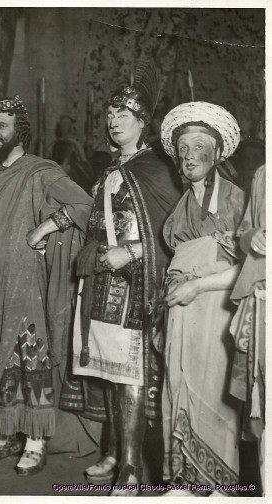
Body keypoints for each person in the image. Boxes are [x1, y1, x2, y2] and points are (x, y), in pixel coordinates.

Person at [0, 96, 95, 477]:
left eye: (2, 126)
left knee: (26, 352)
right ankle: (5, 431)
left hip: (24, 279)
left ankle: (35, 439)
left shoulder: (40, 172)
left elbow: (85, 204)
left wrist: (45, 227)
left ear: (19, 131)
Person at [63, 77, 182, 495]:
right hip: (100, 280)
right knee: (108, 371)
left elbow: (169, 231)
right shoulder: (113, 165)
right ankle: (114, 449)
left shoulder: (156, 167)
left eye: (124, 115)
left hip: (132, 283)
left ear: (142, 121)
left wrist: (129, 254)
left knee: (128, 372)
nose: (114, 121)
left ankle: (130, 467)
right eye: (110, 114)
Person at [159, 102, 246, 496]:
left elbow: (248, 269)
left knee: (212, 389)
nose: (189, 155)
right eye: (183, 147)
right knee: (177, 385)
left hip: (215, 306)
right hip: (181, 309)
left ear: (216, 153)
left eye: (199, 145)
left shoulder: (233, 199)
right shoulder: (181, 204)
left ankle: (219, 485)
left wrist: (196, 285)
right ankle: (184, 478)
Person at [229, 163, 265, 493]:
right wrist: (253, 237)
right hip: (263, 303)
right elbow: (244, 232)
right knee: (262, 407)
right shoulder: (263, 175)